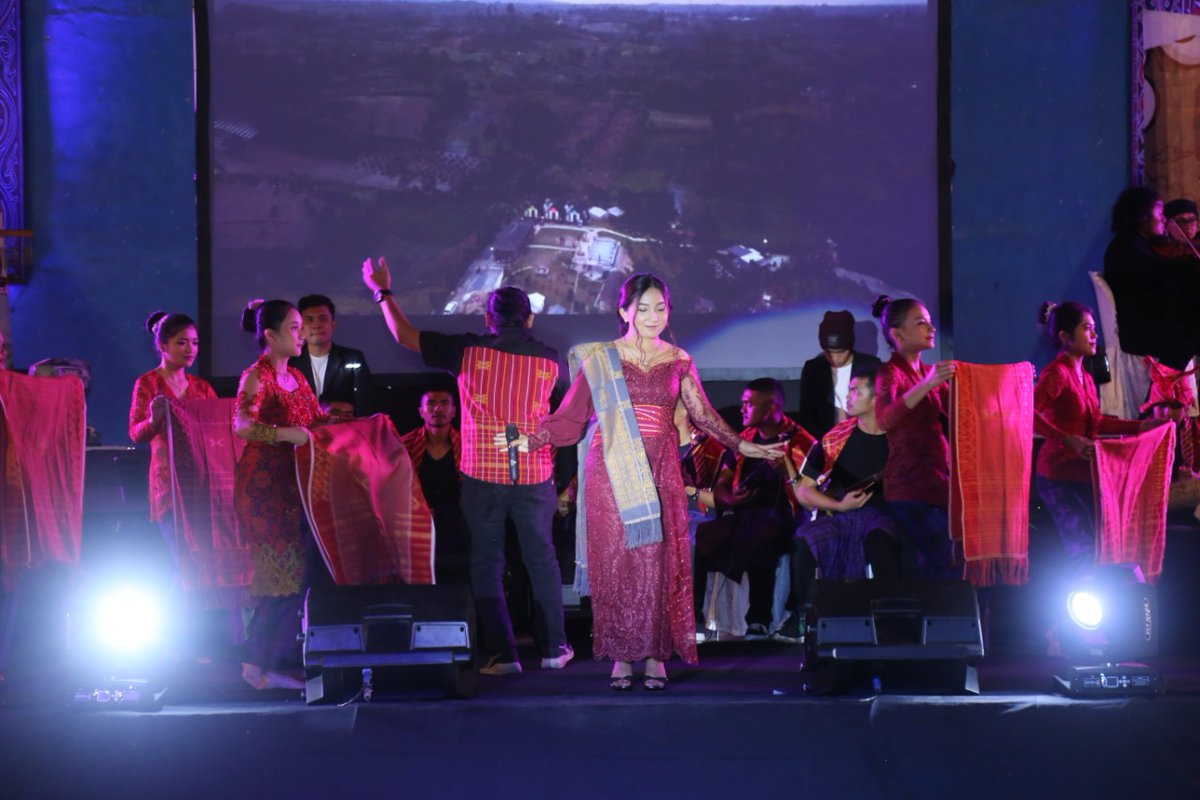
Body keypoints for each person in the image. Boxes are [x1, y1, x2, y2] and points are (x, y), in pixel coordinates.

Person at [501, 274, 782, 690]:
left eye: (661, 308)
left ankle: (655, 655)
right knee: (617, 563)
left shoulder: (679, 359)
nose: (654, 316)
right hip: (612, 470)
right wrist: (533, 439)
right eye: (644, 308)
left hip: (661, 469)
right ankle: (621, 655)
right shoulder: (602, 359)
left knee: (656, 564)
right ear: (624, 311)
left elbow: (702, 413)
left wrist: (742, 445)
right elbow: (572, 416)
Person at [362, 257, 573, 676]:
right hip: (535, 477)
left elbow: (403, 335)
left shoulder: (466, 352)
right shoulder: (551, 359)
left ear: (487, 319)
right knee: (541, 560)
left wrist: (382, 291)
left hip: (482, 477)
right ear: (529, 319)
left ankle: (503, 655)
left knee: (486, 563)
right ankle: (554, 648)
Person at [233, 299, 329, 690]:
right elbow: (242, 425)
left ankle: (265, 664)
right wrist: (285, 434)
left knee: (295, 578)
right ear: (270, 335)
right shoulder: (256, 376)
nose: (302, 334)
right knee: (281, 578)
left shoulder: (298, 378)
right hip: (264, 490)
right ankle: (256, 666)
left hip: (295, 489)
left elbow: (316, 422)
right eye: (293, 327)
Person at [1034, 301, 1160, 571]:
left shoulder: (1086, 376)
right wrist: (1065, 438)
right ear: (1065, 337)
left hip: (1084, 472)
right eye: (1086, 328)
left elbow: (1097, 422)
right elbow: (1026, 412)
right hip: (1058, 476)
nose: (1094, 335)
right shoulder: (1057, 374)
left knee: (1101, 545)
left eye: (1093, 328)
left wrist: (1142, 427)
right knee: (1083, 549)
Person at [694, 378, 814, 637]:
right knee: (703, 534)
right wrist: (731, 500)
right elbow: (723, 482)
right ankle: (695, 618)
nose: (742, 409)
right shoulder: (744, 440)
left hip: (785, 517)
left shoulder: (802, 442)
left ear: (770, 408)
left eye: (748, 404)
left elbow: (811, 492)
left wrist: (786, 471)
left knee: (763, 533)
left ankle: (759, 618)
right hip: (745, 513)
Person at [786, 366, 901, 611]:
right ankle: (810, 616)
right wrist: (839, 505)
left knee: (880, 538)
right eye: (847, 390)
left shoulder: (900, 438)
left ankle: (890, 615)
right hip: (844, 518)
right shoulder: (835, 438)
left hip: (889, 516)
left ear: (876, 399)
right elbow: (804, 491)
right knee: (803, 540)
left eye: (855, 391)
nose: (847, 397)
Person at [872, 294, 956, 578]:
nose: (931, 328)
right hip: (908, 487)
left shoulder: (929, 374)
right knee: (945, 562)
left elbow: (959, 414)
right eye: (921, 323)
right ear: (897, 334)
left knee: (941, 564)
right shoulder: (890, 372)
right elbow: (884, 419)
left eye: (930, 322)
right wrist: (928, 384)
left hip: (937, 482)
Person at [128, 311, 218, 562]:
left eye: (195, 343)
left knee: (205, 557)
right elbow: (135, 432)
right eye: (182, 342)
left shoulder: (202, 387)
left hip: (201, 480)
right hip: (168, 482)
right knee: (182, 559)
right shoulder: (148, 383)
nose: (191, 349)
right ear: (162, 345)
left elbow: (218, 430)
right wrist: (154, 419)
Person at [1103, 187, 1200, 370]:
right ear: (1143, 216)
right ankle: (1161, 386)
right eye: (1160, 213)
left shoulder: (1139, 244)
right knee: (1189, 336)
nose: (1164, 219)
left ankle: (1165, 384)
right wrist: (1192, 267)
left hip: (1154, 324)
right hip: (1141, 331)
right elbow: (1159, 269)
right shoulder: (1125, 246)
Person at [400, 388, 468, 584]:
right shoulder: (404, 445)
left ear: (454, 411)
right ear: (421, 411)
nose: (437, 408)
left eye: (444, 403)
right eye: (431, 403)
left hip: (458, 524)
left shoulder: (467, 445)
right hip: (417, 522)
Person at [798, 310, 881, 440]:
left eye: (840, 352)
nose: (834, 358)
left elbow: (880, 409)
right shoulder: (813, 369)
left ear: (850, 346)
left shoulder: (871, 365)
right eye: (828, 352)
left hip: (864, 440)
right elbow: (807, 414)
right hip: (825, 442)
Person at [290, 294, 373, 419]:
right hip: (302, 429)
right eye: (309, 319)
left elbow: (364, 404)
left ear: (333, 324)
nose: (316, 325)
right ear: (301, 327)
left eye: (323, 318)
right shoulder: (291, 361)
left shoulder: (353, 358)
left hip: (343, 428)